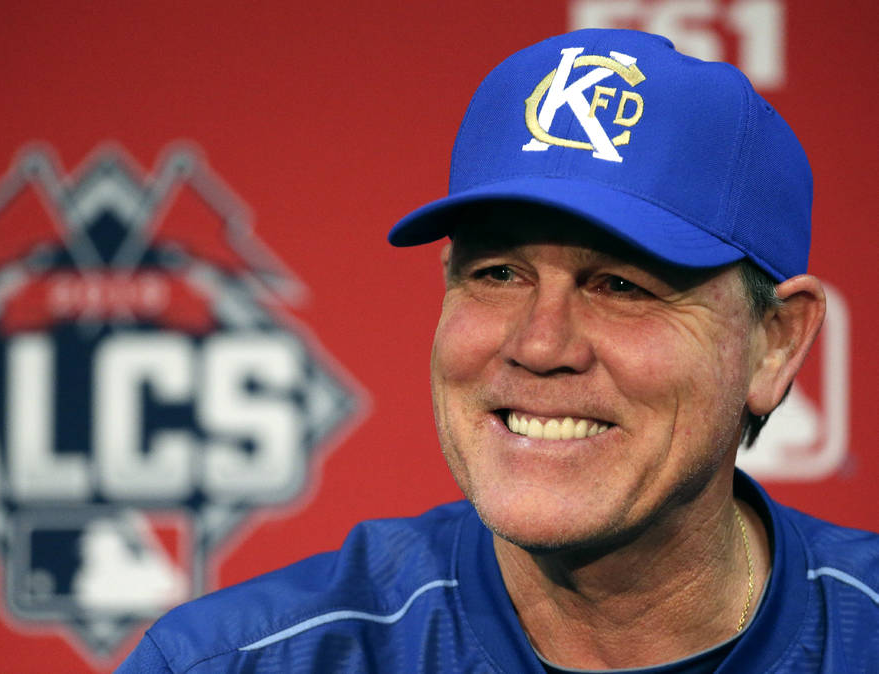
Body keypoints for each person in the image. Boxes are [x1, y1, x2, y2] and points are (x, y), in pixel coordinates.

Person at [118, 29, 879, 673]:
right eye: (499, 274)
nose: (541, 343)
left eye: (621, 284)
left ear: (775, 343)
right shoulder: (238, 661)